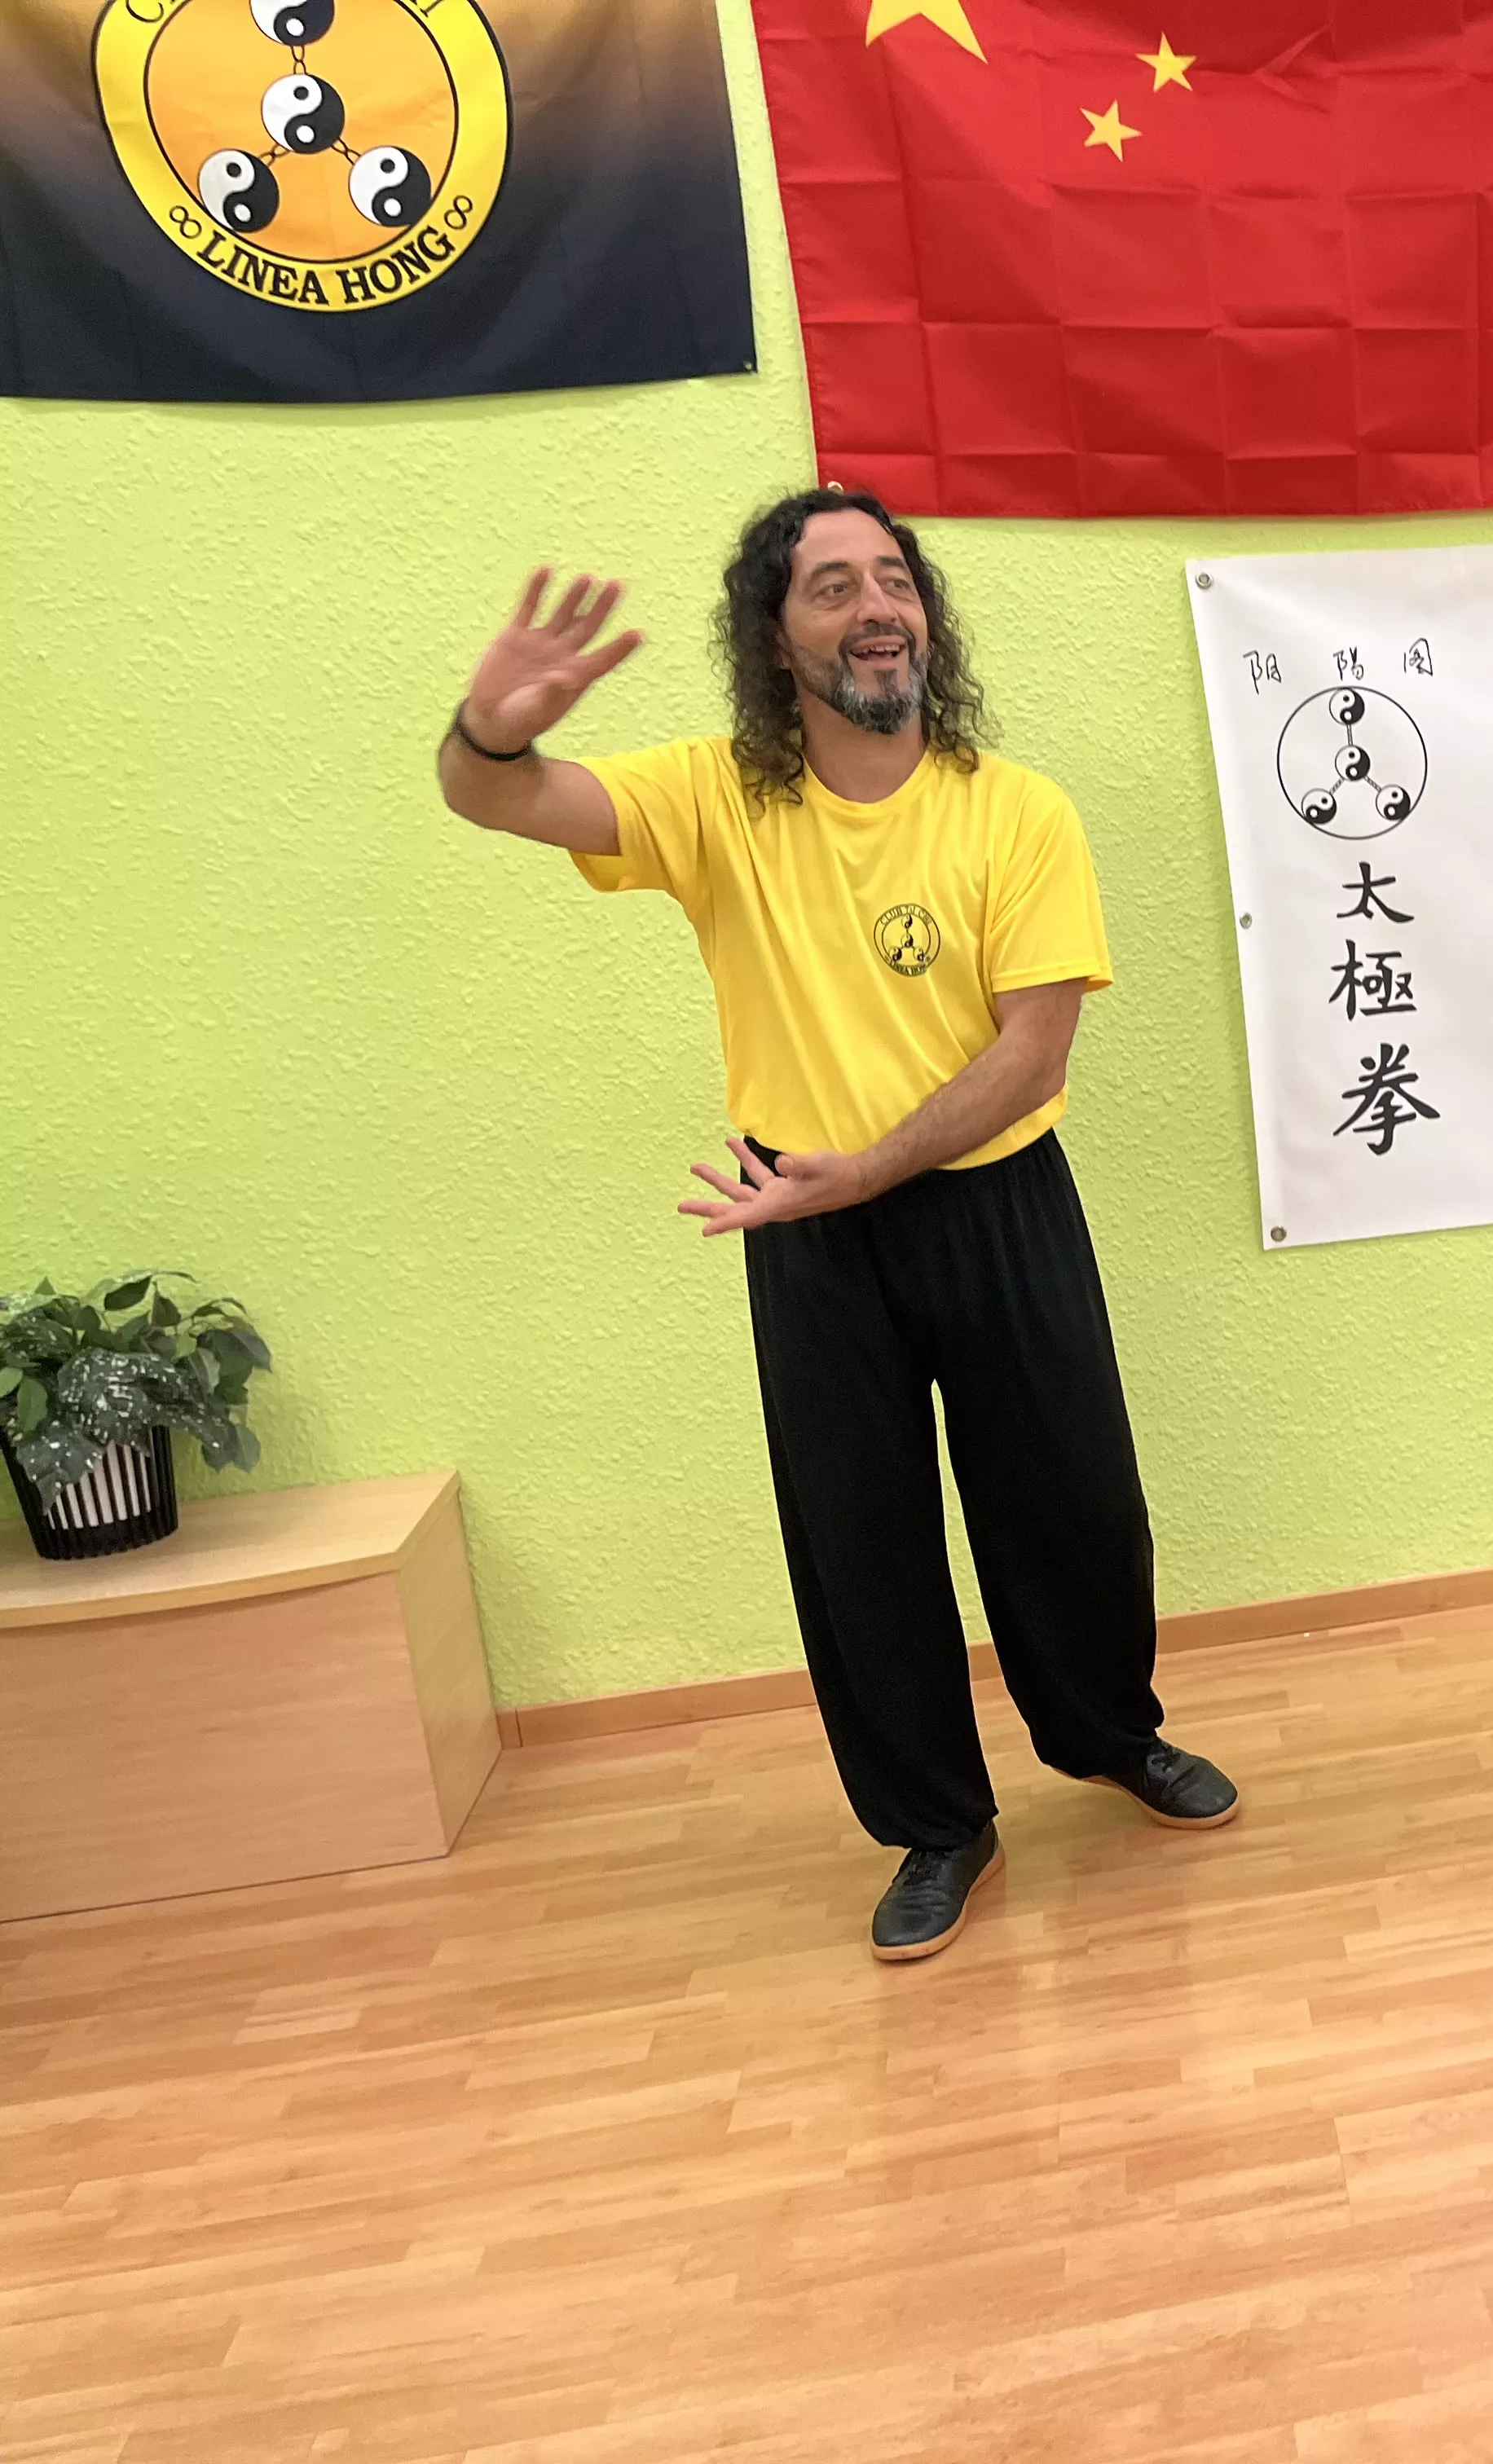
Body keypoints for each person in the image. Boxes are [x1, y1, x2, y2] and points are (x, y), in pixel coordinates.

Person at [433, 486, 1239, 1965]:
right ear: (776, 634)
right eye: (829, 587)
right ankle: (941, 1826)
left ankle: (1113, 1738)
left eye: (894, 579)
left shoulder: (1017, 809)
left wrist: (867, 1167)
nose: (875, 606)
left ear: (924, 615)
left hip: (998, 1204)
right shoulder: (715, 799)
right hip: (803, 1227)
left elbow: (1030, 1056)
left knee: (1074, 1505)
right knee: (860, 1541)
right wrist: (492, 729)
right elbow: (499, 797)